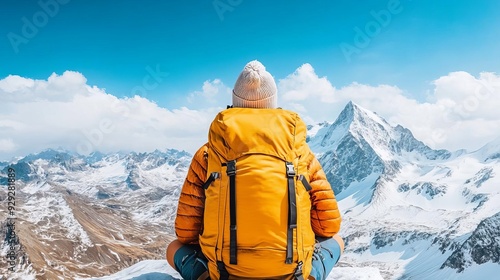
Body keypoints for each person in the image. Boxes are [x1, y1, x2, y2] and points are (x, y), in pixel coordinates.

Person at [166, 60, 343, 280]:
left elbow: (185, 232)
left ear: (234, 102)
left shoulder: (208, 154)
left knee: (173, 247)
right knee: (337, 241)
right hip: (293, 275)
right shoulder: (300, 153)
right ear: (273, 103)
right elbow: (328, 226)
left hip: (223, 275)